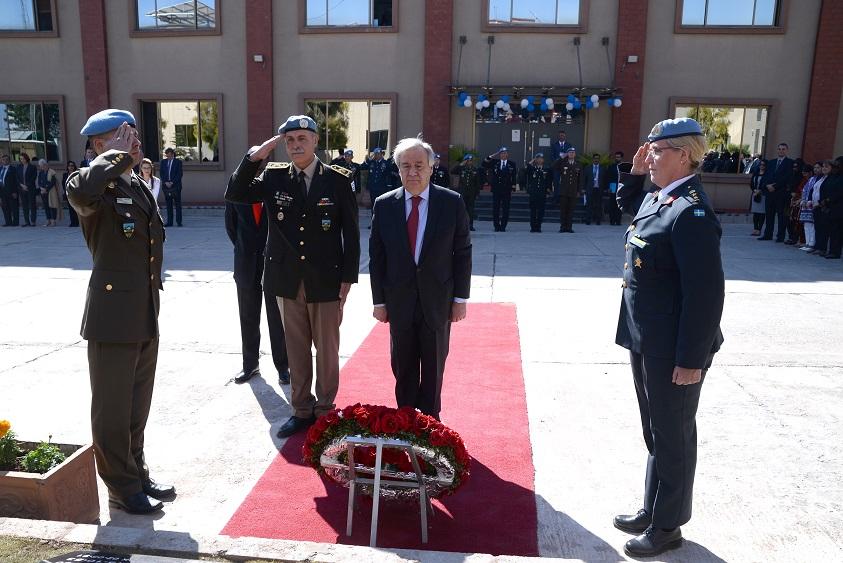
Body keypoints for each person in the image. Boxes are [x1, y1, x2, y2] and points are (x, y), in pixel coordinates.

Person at [613, 117, 725, 558]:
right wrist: (638, 173)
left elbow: (706, 293)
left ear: (684, 154)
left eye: (658, 151)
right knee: (655, 429)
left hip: (676, 346)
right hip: (647, 337)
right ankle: (653, 508)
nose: (650, 156)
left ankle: (668, 527)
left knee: (673, 434)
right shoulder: (663, 198)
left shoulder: (691, 211)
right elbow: (626, 207)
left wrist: (691, 359)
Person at [225, 115, 360, 438]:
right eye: (289, 140)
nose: (295, 145)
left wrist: (348, 279)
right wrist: (255, 157)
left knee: (326, 349)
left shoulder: (338, 180)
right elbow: (236, 193)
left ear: (316, 142)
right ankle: (301, 409)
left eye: (302, 138)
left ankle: (325, 410)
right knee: (296, 348)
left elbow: (352, 235)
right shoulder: (273, 177)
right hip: (286, 278)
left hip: (326, 278)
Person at [66, 109, 173, 515]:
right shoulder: (91, 186)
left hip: (145, 311)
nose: (134, 141)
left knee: (135, 406)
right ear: (98, 145)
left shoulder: (140, 186)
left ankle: (136, 472)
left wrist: (122, 162)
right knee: (112, 408)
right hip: (111, 318)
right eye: (121, 135)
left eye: (134, 134)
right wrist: (110, 159)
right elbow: (79, 194)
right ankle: (120, 486)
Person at [369, 137, 471, 419]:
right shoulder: (384, 204)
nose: (412, 172)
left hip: (437, 300)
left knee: (434, 364)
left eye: (418, 165)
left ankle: (431, 422)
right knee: (403, 365)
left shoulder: (451, 203)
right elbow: (377, 258)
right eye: (405, 166)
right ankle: (405, 419)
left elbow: (462, 253)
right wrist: (379, 301)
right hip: (399, 301)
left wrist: (460, 299)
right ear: (398, 170)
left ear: (431, 167)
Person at [225, 201, 291, 386]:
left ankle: (283, 367)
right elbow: (231, 227)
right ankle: (250, 365)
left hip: (273, 265)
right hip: (246, 264)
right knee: (247, 318)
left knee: (277, 319)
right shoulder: (237, 187)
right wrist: (246, 250)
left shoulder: (272, 182)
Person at [759, 143, 794, 242]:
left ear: (787, 151)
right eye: (779, 149)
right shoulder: (771, 162)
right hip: (769, 193)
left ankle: (780, 236)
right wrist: (766, 185)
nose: (781, 151)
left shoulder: (790, 163)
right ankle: (768, 234)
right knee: (769, 215)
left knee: (781, 216)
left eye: (783, 149)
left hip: (780, 193)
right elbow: (766, 175)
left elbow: (787, 177)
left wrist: (775, 186)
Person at [482, 147, 517, 232]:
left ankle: (503, 226)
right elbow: (484, 163)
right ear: (499, 154)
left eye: (505, 153)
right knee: (496, 208)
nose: (503, 155)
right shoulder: (495, 162)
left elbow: (514, 176)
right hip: (496, 189)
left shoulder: (512, 164)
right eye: (501, 153)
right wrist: (492, 156)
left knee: (506, 209)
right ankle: (496, 226)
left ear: (507, 154)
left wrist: (513, 186)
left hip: (506, 189)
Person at [450, 153, 482, 231]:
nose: (469, 162)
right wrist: (461, 164)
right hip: (463, 192)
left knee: (470, 209)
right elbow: (452, 171)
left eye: (471, 161)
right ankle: (461, 225)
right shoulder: (461, 168)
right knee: (462, 209)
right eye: (468, 161)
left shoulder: (475, 170)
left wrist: (477, 193)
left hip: (471, 193)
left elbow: (477, 183)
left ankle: (470, 225)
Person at [553, 147, 581, 232]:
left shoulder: (578, 164)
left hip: (573, 191)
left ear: (575, 154)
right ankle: (562, 227)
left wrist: (579, 190)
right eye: (570, 152)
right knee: (563, 210)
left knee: (571, 210)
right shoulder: (563, 163)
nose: (571, 154)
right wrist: (561, 157)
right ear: (567, 154)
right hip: (564, 191)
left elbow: (580, 179)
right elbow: (553, 166)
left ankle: (569, 227)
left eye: (573, 152)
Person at [522, 152, 552, 232]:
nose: (539, 160)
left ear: (543, 160)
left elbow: (548, 181)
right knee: (533, 211)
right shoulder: (532, 168)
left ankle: (538, 227)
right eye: (538, 158)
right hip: (534, 193)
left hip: (542, 193)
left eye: (541, 158)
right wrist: (532, 161)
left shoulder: (546, 169)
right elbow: (525, 168)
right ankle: (533, 227)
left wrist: (548, 191)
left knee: (541, 212)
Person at [820, 159, 843, 259]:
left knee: (836, 231)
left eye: (837, 166)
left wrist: (828, 200)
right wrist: (823, 200)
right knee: (829, 230)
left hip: (838, 208)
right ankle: (828, 249)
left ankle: (835, 252)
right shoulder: (832, 177)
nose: (835, 168)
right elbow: (823, 187)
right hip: (829, 207)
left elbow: (839, 192)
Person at [811, 160, 833, 256]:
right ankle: (817, 246)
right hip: (815, 206)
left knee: (823, 229)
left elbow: (828, 194)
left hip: (823, 207)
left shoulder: (830, 179)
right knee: (817, 227)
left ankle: (822, 248)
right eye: (823, 166)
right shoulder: (820, 178)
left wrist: (820, 204)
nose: (824, 168)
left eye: (826, 167)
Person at [785, 164, 811, 245]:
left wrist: (799, 200)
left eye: (805, 173)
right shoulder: (802, 179)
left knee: (800, 223)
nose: (804, 175)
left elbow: (807, 193)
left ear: (810, 173)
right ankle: (793, 238)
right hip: (796, 202)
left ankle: (802, 241)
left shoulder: (811, 180)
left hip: (804, 203)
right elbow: (798, 190)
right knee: (791, 221)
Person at [799, 162, 822, 251]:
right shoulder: (812, 178)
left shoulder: (820, 179)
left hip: (813, 205)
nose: (816, 169)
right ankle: (807, 243)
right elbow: (805, 190)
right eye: (815, 167)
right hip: (806, 205)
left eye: (818, 167)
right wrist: (804, 200)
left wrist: (810, 201)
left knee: (812, 225)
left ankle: (812, 244)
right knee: (806, 224)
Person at [161, 147, 183, 227]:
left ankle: (179, 222)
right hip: (166, 187)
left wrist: (172, 182)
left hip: (176, 186)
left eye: (169, 155)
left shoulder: (178, 162)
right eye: (167, 156)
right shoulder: (163, 162)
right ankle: (170, 222)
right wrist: (165, 182)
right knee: (168, 205)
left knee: (177, 204)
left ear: (173, 154)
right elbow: (162, 174)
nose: (168, 157)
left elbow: (179, 174)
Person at [582, 153, 606, 225]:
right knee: (589, 205)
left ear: (599, 160)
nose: (596, 160)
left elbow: (605, 179)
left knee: (598, 205)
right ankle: (588, 220)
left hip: (599, 189)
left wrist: (605, 188)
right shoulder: (587, 168)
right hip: (590, 189)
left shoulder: (603, 168)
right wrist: (583, 188)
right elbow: (584, 179)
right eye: (595, 158)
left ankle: (598, 220)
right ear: (593, 159)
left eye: (597, 158)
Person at [37, 159, 60, 227]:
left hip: (51, 191)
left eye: (42, 166)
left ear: (45, 165)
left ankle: (53, 220)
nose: (41, 167)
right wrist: (41, 188)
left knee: (52, 206)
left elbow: (53, 182)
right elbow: (39, 181)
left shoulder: (52, 172)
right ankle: (48, 220)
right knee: (46, 206)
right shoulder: (41, 172)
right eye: (40, 166)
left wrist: (46, 189)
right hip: (43, 192)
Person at [18, 153, 38, 227]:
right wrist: (22, 185)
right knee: (24, 206)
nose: (22, 160)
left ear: (26, 158)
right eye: (20, 159)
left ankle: (33, 221)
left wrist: (27, 185)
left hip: (30, 188)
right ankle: (27, 221)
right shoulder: (19, 167)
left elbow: (34, 177)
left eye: (23, 158)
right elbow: (17, 177)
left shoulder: (32, 167)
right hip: (22, 189)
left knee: (32, 205)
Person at [605, 151, 625, 225]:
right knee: (612, 204)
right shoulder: (611, 166)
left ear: (621, 158)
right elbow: (608, 177)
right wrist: (608, 187)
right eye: (616, 157)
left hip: (621, 186)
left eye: (618, 157)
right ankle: (612, 221)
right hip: (612, 186)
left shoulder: (624, 167)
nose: (617, 158)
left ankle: (618, 221)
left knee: (619, 204)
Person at [0, 154, 20, 226]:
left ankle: (15, 222)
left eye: (6, 159)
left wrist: (15, 191)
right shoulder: (0, 169)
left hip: (11, 191)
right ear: (1, 161)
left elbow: (16, 181)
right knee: (5, 208)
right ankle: (8, 222)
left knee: (14, 207)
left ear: (9, 160)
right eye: (3, 160)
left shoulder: (13, 169)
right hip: (2, 191)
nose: (5, 161)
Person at [749, 160, 767, 236]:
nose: (762, 166)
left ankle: (759, 229)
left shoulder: (767, 174)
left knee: (762, 213)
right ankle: (755, 229)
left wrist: (760, 191)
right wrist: (754, 190)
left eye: (763, 165)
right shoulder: (755, 174)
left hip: (763, 195)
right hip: (755, 194)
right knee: (755, 213)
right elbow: (751, 183)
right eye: (760, 164)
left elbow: (767, 184)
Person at [62, 161, 80, 227]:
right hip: (68, 193)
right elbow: (63, 183)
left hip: (75, 194)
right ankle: (72, 222)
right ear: (67, 167)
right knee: (70, 209)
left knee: (76, 208)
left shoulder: (77, 174)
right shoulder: (65, 175)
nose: (71, 167)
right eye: (69, 166)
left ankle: (77, 222)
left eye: (72, 166)